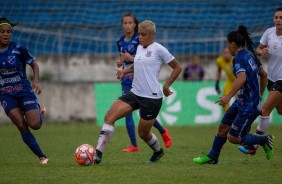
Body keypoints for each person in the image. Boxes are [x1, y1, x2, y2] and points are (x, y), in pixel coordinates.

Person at [95, 20, 182, 164]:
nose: (139, 37)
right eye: (139, 34)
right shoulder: (140, 48)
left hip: (152, 98)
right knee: (109, 116)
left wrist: (167, 85)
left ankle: (158, 151)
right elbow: (137, 64)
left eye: (143, 34)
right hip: (135, 93)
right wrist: (124, 71)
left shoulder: (159, 49)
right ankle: (97, 153)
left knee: (143, 133)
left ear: (152, 35)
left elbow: (177, 67)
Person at [192, 25, 272, 165]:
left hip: (248, 105)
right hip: (242, 101)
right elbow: (263, 75)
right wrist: (259, 95)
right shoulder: (250, 57)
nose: (227, 48)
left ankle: (264, 140)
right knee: (223, 126)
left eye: (228, 44)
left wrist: (227, 96)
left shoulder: (239, 59)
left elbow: (242, 78)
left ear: (233, 44)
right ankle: (212, 157)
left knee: (233, 137)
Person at [116, 13, 172, 152]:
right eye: (125, 23)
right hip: (126, 80)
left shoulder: (140, 40)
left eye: (130, 23)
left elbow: (144, 58)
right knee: (127, 113)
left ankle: (162, 131)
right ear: (122, 25)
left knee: (144, 113)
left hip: (140, 80)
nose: (128, 25)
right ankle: (134, 145)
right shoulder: (120, 41)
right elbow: (124, 58)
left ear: (134, 24)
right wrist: (122, 64)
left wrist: (130, 58)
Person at [0, 18, 48, 164]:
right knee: (21, 124)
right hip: (6, 94)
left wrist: (36, 81)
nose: (6, 35)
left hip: (24, 90)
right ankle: (42, 156)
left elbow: (34, 65)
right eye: (2, 32)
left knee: (35, 125)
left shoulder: (19, 48)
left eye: (8, 32)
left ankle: (38, 110)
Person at [239, 7, 282, 155]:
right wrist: (260, 52)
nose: (278, 20)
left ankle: (254, 146)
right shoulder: (269, 33)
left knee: (264, 110)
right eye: (276, 17)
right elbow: (257, 50)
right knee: (280, 110)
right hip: (271, 77)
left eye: (281, 18)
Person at [215, 47, 236, 112]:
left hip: (238, 81)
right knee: (225, 99)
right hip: (229, 81)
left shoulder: (235, 60)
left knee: (241, 99)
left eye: (228, 53)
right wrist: (217, 84)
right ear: (222, 54)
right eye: (225, 53)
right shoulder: (219, 61)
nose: (226, 55)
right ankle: (227, 116)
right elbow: (219, 71)